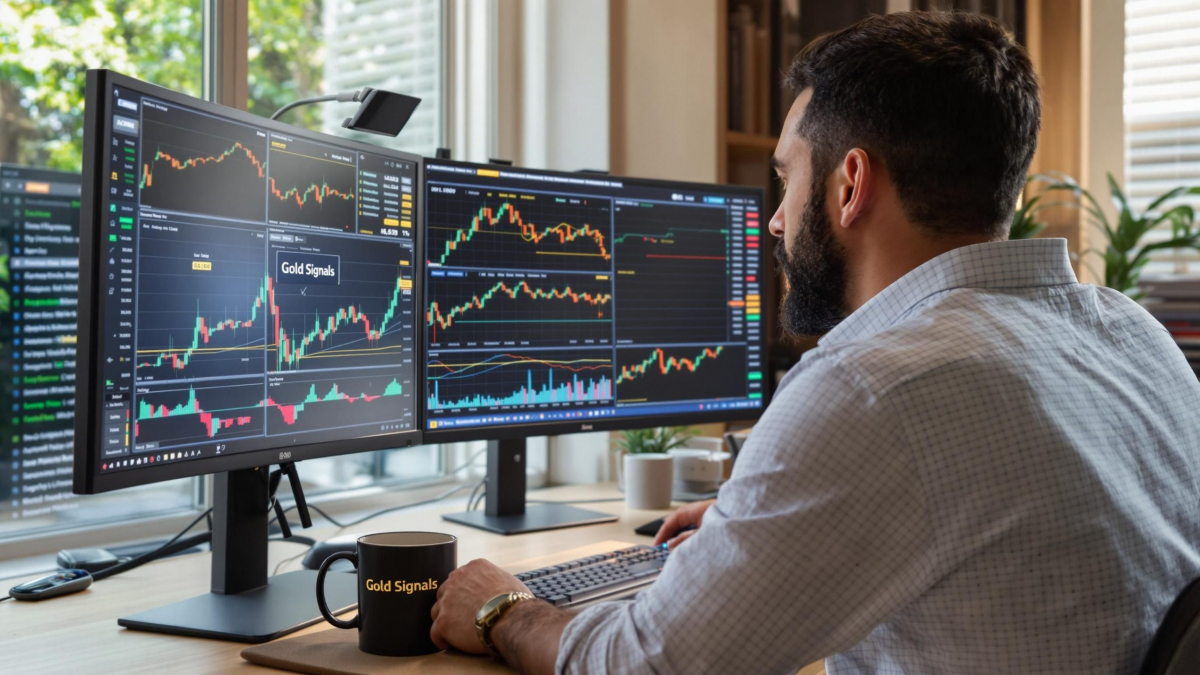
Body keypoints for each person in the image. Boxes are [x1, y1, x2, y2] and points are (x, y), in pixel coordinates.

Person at [430, 11, 1200, 674]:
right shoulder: (1136, 335)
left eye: (786, 177)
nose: (773, 218)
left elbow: (650, 663)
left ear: (850, 183)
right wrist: (765, 529)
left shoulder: (873, 388)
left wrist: (504, 609)